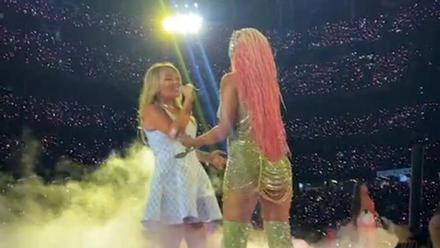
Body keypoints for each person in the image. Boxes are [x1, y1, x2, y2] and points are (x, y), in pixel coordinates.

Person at [180, 28, 293, 248]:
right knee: (279, 237)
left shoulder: (232, 80)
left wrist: (193, 141)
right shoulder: (269, 85)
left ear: (236, 52)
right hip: (277, 161)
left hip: (244, 163)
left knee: (235, 237)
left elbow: (224, 129)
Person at [138, 62, 224, 248]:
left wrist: (209, 158)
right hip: (171, 177)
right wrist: (188, 102)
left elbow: (184, 147)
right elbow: (173, 133)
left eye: (177, 78)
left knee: (198, 232)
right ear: (155, 85)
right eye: (168, 78)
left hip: (192, 174)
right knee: (173, 234)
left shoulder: (182, 112)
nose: (176, 82)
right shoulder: (152, 110)